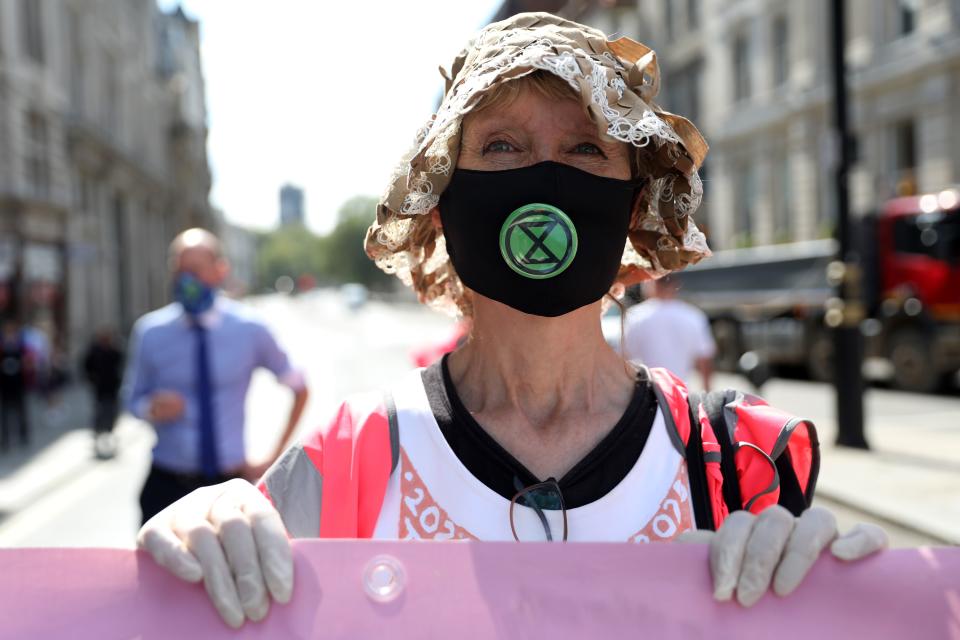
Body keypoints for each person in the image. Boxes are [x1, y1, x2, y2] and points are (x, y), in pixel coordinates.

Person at [137, 14, 887, 628]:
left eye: (586, 148)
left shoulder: (737, 460)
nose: (545, 177)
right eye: (501, 145)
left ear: (634, 204)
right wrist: (206, 547)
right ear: (441, 195)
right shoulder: (353, 461)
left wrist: (837, 599)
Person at [122, 228, 309, 524]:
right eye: (179, 271)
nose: (186, 281)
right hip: (166, 487)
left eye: (195, 270)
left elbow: (299, 387)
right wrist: (151, 407)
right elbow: (131, 400)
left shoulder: (251, 329)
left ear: (220, 270)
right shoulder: (151, 332)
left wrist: (273, 459)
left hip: (228, 489)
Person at [622, 275, 716, 390]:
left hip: (646, 393)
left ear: (651, 284)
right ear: (675, 285)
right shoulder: (693, 315)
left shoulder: (634, 316)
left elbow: (624, 357)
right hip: (681, 393)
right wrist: (707, 392)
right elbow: (705, 359)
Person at [82, 327, 125, 459]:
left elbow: (122, 366)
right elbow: (86, 366)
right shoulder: (94, 351)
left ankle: (109, 431)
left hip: (112, 387)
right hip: (99, 388)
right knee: (100, 411)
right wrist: (91, 379)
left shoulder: (115, 351)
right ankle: (98, 432)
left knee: (111, 411)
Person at [0, 318, 32, 451]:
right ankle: (5, 439)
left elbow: (28, 361)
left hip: (18, 384)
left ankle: (23, 435)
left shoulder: (21, 345)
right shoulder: (2, 346)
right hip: (4, 384)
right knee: (4, 414)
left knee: (21, 411)